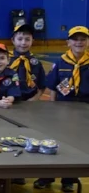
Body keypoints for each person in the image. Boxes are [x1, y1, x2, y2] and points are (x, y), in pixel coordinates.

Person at [36, 33, 85, 191]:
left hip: (84, 110)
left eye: (83, 39)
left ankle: (69, 179)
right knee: (55, 142)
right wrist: (52, 109)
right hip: (63, 108)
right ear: (68, 42)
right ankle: (47, 176)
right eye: (75, 39)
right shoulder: (60, 62)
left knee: (76, 145)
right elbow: (53, 88)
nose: (79, 42)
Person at [9, 24, 45, 102]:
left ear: (33, 41)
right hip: (8, 100)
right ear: (13, 40)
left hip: (30, 101)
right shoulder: (6, 60)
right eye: (20, 39)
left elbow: (42, 84)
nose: (23, 43)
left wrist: (35, 98)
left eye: (27, 39)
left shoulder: (36, 63)